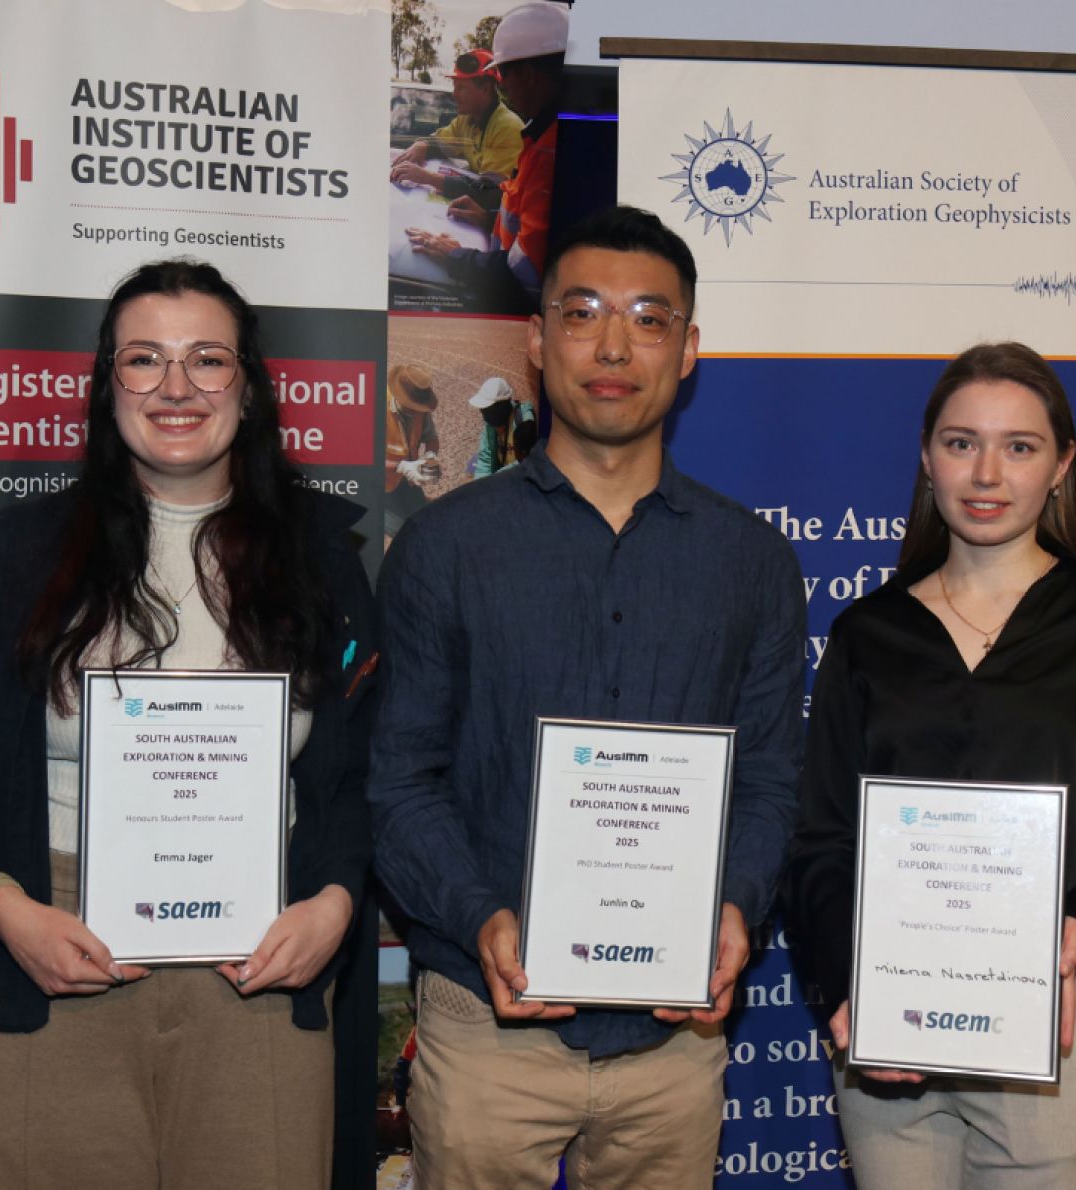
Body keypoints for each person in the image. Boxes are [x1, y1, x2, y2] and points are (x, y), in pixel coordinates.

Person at [0, 260, 378, 1189]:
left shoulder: (319, 559)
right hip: (57, 951)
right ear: (107, 382)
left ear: (249, 383)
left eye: (207, 359)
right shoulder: (11, 557)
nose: (177, 387)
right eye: (144, 360)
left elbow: (354, 777)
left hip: (260, 961)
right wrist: (5, 905)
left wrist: (336, 904)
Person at [368, 205, 805, 1189]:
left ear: (688, 349)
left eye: (650, 318)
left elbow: (773, 779)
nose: (615, 344)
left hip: (675, 1042)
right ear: (537, 339)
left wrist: (735, 902)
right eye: (584, 312)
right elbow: (399, 779)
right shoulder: (447, 549)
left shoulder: (753, 562)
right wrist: (480, 914)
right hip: (490, 1030)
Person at [782, 341, 1076, 1188]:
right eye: (959, 443)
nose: (985, 473)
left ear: (1061, 464)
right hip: (891, 1021)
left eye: (1018, 446)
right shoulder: (867, 634)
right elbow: (820, 843)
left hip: (1064, 1019)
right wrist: (846, 982)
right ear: (925, 457)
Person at [404, 1, 566, 314]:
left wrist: (455, 257)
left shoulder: (529, 138)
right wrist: (487, 219)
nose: (455, 96)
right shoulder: (525, 132)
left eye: (461, 88)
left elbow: (526, 276)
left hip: (514, 306)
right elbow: (444, 140)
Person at [389, 48, 525, 215]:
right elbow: (440, 143)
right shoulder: (467, 120)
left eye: (461, 88)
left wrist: (427, 178)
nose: (454, 95)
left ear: (486, 89)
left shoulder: (507, 127)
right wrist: (422, 145)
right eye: (454, 87)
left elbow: (492, 193)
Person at [384, 363, 442, 536]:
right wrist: (403, 466)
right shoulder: (377, 408)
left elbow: (431, 438)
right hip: (378, 484)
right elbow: (364, 457)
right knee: (401, 531)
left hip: (406, 480)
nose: (417, 411)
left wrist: (430, 457)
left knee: (424, 522)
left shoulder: (420, 408)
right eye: (412, 406)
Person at [467, 375, 536, 476]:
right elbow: (485, 459)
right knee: (472, 469)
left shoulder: (524, 423)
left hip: (518, 477)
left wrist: (494, 480)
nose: (484, 415)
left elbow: (525, 462)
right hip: (500, 475)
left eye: (487, 410)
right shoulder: (490, 426)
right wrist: (481, 485)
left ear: (502, 406)